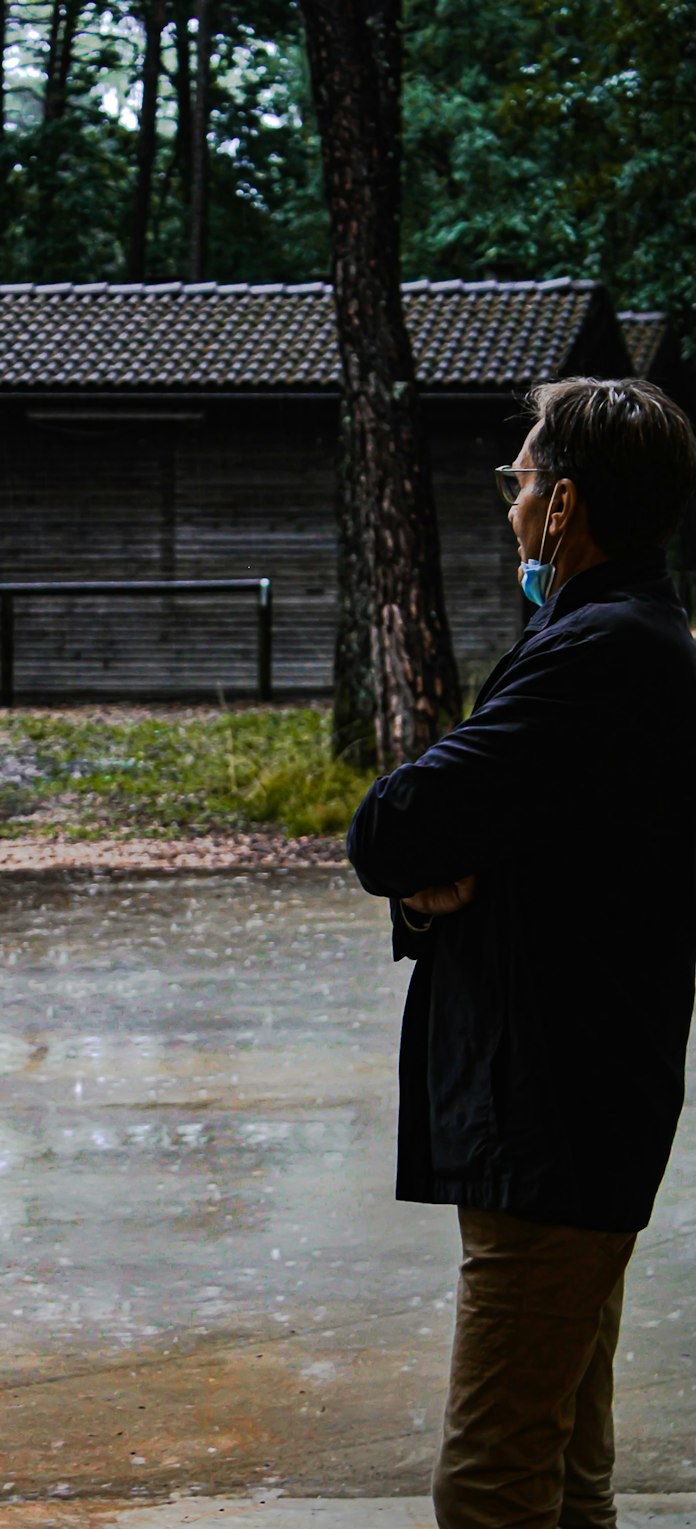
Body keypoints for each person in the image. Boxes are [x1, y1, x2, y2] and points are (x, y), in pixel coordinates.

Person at [346, 376, 696, 1529]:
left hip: (553, 1115)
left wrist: (444, 870)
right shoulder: (632, 638)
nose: (509, 510)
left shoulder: (599, 652)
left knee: (495, 1477)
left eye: (521, 483)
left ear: (565, 505)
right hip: (585, 1106)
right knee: (560, 1461)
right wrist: (455, 872)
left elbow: (390, 827)